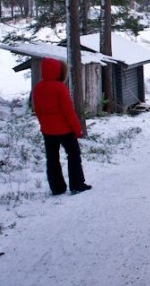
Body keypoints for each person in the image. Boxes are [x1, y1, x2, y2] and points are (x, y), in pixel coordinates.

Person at [32, 58, 91, 196]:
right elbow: (68, 111)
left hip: (48, 130)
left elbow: (38, 110)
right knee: (73, 154)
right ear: (59, 71)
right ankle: (77, 184)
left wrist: (43, 124)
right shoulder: (60, 88)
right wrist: (77, 129)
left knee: (52, 159)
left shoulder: (38, 88)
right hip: (65, 130)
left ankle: (57, 188)